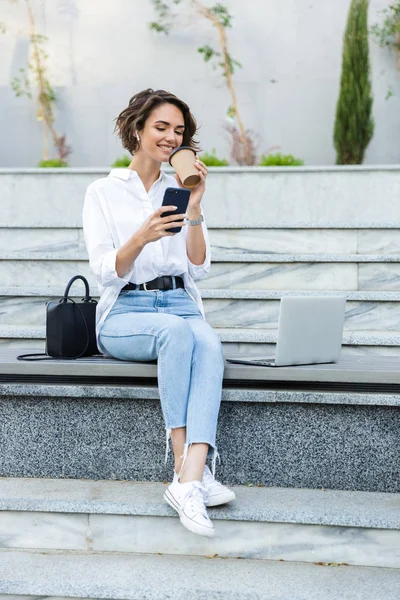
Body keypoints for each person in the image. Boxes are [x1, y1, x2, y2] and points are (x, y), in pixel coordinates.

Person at [82, 88, 235, 538]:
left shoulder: (179, 189)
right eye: (161, 127)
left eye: (179, 131)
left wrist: (197, 208)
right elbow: (106, 270)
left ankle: (192, 476)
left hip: (180, 303)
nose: (171, 138)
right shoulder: (103, 192)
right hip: (126, 311)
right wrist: (141, 236)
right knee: (178, 334)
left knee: (207, 340)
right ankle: (182, 463)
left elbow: (198, 267)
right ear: (137, 129)